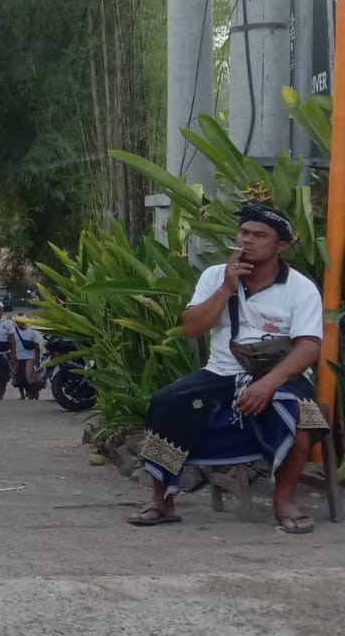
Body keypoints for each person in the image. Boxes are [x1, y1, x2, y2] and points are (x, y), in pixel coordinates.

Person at [131, 202, 327, 533]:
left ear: (280, 245)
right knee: (166, 402)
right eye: (244, 233)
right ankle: (162, 500)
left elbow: (309, 348)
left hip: (281, 376)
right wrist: (225, 288)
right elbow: (192, 328)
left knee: (299, 412)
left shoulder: (300, 288)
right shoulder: (214, 276)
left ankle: (284, 500)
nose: (247, 241)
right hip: (220, 374)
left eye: (259, 236)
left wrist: (269, 383)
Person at [13, 318, 42, 400]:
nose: (22, 323)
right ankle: (22, 395)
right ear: (17, 323)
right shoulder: (13, 332)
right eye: (20, 322)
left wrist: (37, 359)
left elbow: (37, 347)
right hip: (18, 357)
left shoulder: (32, 332)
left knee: (29, 377)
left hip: (30, 357)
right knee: (18, 378)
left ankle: (32, 393)